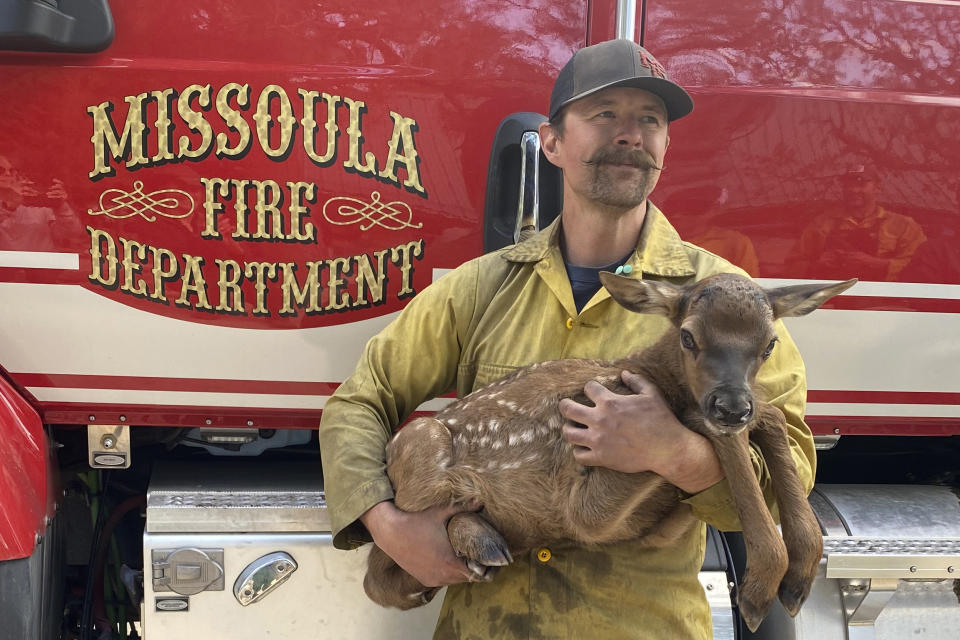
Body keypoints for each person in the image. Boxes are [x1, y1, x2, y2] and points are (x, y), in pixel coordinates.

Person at [318, 39, 815, 639]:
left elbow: (786, 473)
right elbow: (358, 404)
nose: (630, 134)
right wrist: (391, 526)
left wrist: (673, 452)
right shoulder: (482, 288)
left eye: (649, 121)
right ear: (551, 143)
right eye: (604, 114)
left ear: (664, 148)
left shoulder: (728, 305)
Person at [792, 164, 925, 281]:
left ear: (877, 187)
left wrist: (878, 264)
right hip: (832, 301)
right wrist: (817, 264)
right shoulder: (821, 223)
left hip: (882, 302)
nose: (853, 190)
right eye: (849, 185)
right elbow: (792, 265)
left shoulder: (904, 225)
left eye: (861, 184)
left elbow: (920, 267)